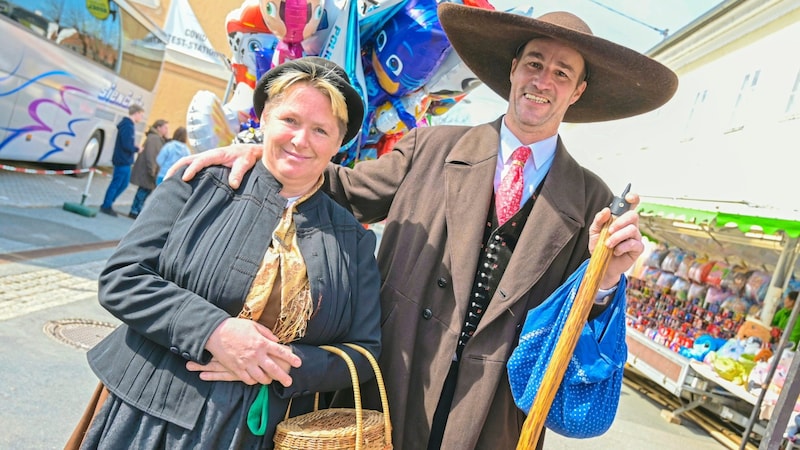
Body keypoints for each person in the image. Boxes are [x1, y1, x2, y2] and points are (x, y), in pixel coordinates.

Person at [169, 5, 678, 449]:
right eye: (535, 63)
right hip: (392, 385)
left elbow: (575, 329)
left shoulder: (591, 200)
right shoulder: (431, 147)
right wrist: (270, 154)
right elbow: (342, 190)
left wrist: (607, 279)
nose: (543, 81)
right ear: (513, 70)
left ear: (578, 91)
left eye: (562, 73)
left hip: (493, 415)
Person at [73, 57, 380, 449]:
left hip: (261, 435)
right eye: (290, 120)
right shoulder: (197, 183)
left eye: (321, 130)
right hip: (148, 417)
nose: (301, 140)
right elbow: (122, 278)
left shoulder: (353, 239)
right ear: (265, 118)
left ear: (339, 143)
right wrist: (214, 331)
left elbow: (363, 353)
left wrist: (281, 364)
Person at [100, 104, 145, 217]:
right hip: (123, 160)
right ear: (136, 113)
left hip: (125, 160)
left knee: (123, 184)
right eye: (141, 115)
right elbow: (126, 144)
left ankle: (109, 202)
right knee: (117, 183)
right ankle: (106, 205)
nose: (141, 118)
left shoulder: (129, 126)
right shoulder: (127, 126)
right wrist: (136, 148)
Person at [128, 119, 169, 219]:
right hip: (148, 171)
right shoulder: (154, 139)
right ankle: (135, 210)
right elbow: (152, 156)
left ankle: (136, 210)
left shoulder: (157, 138)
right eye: (165, 128)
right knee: (143, 192)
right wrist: (153, 171)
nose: (167, 130)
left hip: (149, 170)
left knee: (144, 191)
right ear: (158, 128)